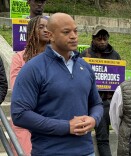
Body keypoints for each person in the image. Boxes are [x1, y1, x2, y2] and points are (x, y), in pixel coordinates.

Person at [11, 13, 103, 155]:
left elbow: (96, 104)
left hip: (86, 151)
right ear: (50, 35)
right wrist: (66, 126)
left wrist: (93, 119)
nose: (73, 36)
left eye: (75, 31)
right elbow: (20, 114)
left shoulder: (85, 67)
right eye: (66, 32)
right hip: (50, 152)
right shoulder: (33, 68)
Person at [10, 15, 49, 156]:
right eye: (41, 27)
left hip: (50, 119)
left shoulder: (57, 59)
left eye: (48, 27)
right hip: (26, 120)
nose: (46, 30)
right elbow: (17, 87)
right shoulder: (20, 58)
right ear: (31, 30)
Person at [80, 26, 121, 156]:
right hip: (93, 103)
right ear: (93, 39)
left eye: (105, 39)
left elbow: (119, 78)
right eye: (99, 39)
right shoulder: (85, 55)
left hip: (112, 101)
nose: (103, 41)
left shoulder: (115, 55)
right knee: (102, 138)